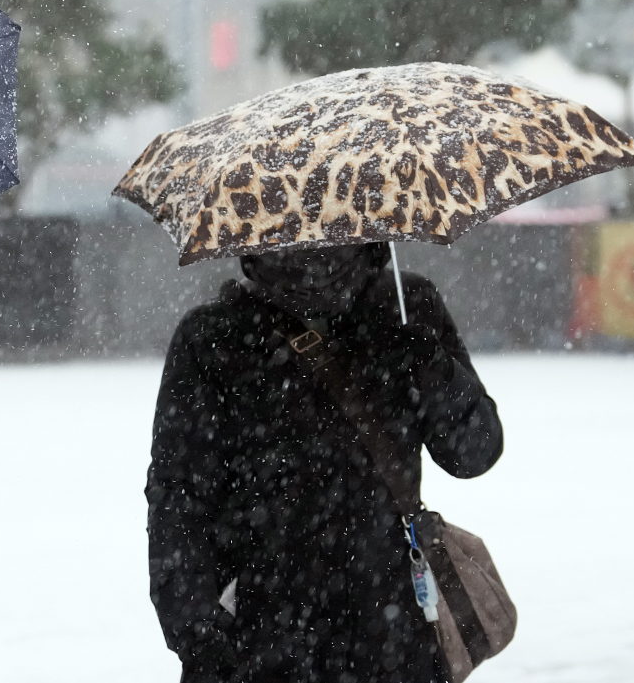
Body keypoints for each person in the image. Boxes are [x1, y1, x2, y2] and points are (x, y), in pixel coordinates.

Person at [146, 243, 503, 683]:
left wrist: (432, 364)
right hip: (264, 635)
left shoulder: (406, 309)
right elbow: (180, 495)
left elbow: (473, 453)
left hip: (388, 631)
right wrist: (195, 627)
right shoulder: (215, 336)